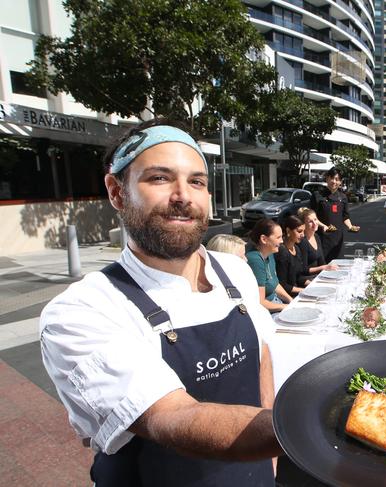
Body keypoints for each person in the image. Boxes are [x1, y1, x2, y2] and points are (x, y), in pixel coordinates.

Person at [39, 120, 283, 486]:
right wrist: (300, 426)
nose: (183, 195)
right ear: (117, 192)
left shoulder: (236, 271)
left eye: (197, 181)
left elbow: (261, 356)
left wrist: (271, 464)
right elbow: (171, 417)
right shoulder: (83, 310)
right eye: (159, 178)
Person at [311, 167, 360, 262]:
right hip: (322, 236)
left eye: (337, 179)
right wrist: (323, 226)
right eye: (332, 178)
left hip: (337, 239)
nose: (334, 181)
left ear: (340, 182)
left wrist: (350, 227)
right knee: (323, 265)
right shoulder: (317, 195)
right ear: (327, 179)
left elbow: (345, 217)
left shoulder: (343, 197)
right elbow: (312, 217)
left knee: (338, 264)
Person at [246, 218, 293, 313]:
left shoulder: (269, 253)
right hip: (266, 312)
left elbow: (274, 284)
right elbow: (260, 302)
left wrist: (291, 300)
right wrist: (286, 307)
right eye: (278, 237)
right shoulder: (255, 260)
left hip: (276, 303)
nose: (282, 241)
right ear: (264, 239)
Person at [275, 216, 310, 296]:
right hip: (286, 296)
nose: (303, 235)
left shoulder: (296, 248)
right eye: (299, 231)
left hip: (296, 291)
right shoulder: (282, 251)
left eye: (304, 231)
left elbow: (298, 277)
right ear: (288, 231)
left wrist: (311, 284)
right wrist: (303, 290)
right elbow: (282, 285)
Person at [297, 207, 339, 274]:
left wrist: (329, 269)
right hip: (306, 279)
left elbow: (322, 262)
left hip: (318, 275)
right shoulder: (302, 241)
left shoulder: (316, 237)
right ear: (303, 224)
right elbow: (303, 270)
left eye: (315, 219)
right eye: (310, 221)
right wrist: (323, 268)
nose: (314, 223)